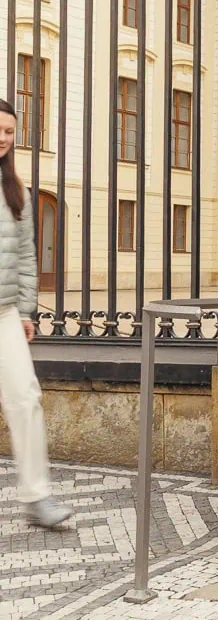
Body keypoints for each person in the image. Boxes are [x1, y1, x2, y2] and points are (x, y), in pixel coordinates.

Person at [0, 99, 72, 529]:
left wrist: (26, 309)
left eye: (9, 131)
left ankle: (37, 496)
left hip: (5, 313)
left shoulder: (18, 193)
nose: (3, 138)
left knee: (25, 398)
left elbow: (27, 257)